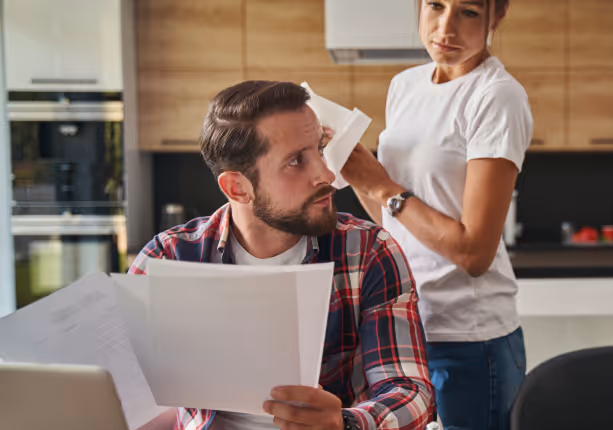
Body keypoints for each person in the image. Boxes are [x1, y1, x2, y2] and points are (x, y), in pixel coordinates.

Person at [129, 81, 434, 430]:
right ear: (238, 188)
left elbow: (410, 390)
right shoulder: (166, 260)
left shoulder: (369, 252)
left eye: (319, 149)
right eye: (295, 161)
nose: (327, 174)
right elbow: (131, 400)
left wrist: (346, 423)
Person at [340, 1, 532, 429]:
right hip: (404, 325)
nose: (445, 27)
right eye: (436, 6)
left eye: (467, 11)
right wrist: (356, 171)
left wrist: (381, 185)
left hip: (467, 337)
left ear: (495, 17)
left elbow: (474, 253)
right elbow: (393, 217)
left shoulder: (496, 96)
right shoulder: (405, 86)